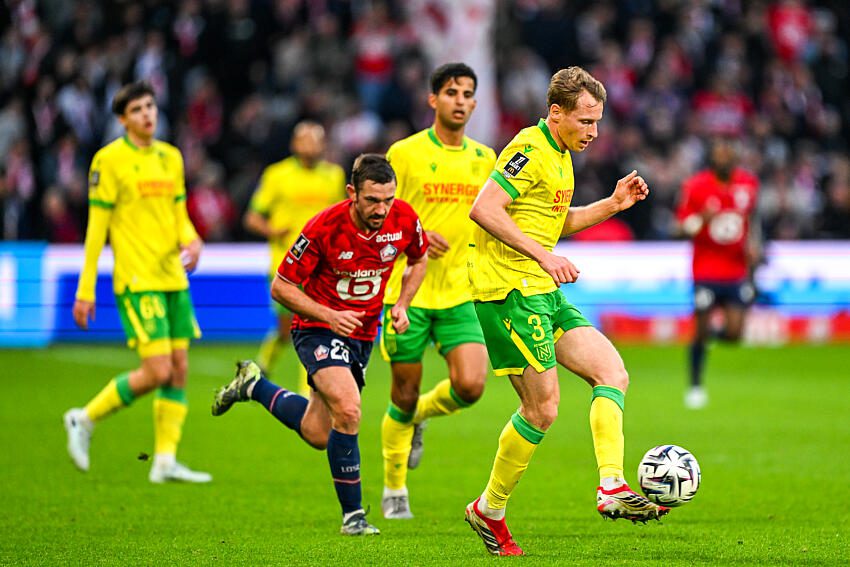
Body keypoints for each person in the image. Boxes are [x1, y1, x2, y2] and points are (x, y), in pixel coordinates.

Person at [464, 67, 667, 556]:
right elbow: (484, 209)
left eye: (598, 122)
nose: (594, 132)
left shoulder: (562, 155)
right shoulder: (527, 149)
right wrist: (542, 255)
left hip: (542, 290)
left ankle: (612, 485)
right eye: (586, 121)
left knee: (611, 372)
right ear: (556, 113)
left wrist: (613, 205)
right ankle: (488, 509)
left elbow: (557, 221)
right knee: (543, 409)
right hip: (508, 291)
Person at [211, 154, 429, 536]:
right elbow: (281, 287)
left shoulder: (404, 218)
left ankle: (252, 384)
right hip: (317, 330)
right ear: (352, 193)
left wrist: (404, 304)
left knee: (317, 432)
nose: (381, 209)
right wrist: (328, 316)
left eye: (388, 200)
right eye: (372, 201)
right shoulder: (323, 227)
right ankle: (354, 517)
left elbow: (419, 258)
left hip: (361, 335)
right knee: (349, 408)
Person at [63, 81, 211, 484]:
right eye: (137, 109)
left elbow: (178, 212)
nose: (147, 114)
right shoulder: (108, 161)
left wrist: (192, 238)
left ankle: (164, 460)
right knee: (158, 369)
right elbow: (98, 228)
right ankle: (84, 418)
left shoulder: (171, 157)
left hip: (173, 277)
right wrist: (85, 288)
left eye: (150, 106)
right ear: (122, 119)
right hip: (137, 278)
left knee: (179, 368)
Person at [379, 63, 496, 520]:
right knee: (401, 395)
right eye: (451, 92)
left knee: (471, 385)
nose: (460, 100)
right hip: (406, 291)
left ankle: (423, 416)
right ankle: (394, 489)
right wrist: (418, 232)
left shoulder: (485, 159)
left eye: (468, 93)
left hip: (462, 290)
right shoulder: (404, 154)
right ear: (433, 100)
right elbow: (377, 212)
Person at [244, 121, 346, 394]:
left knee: (313, 325)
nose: (311, 145)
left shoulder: (334, 176)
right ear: (294, 144)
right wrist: (272, 230)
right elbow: (252, 217)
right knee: (285, 327)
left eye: (316, 140)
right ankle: (262, 365)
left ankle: (308, 390)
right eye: (305, 139)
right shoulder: (277, 175)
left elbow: (341, 217)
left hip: (321, 266)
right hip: (285, 266)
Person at [675, 138, 761, 410]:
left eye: (728, 154)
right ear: (712, 159)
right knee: (700, 330)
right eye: (719, 154)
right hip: (706, 269)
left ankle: (708, 339)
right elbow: (680, 228)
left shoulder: (747, 184)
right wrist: (702, 219)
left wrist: (754, 246)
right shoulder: (696, 186)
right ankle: (695, 385)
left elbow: (751, 220)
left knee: (735, 333)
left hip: (735, 269)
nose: (723, 158)